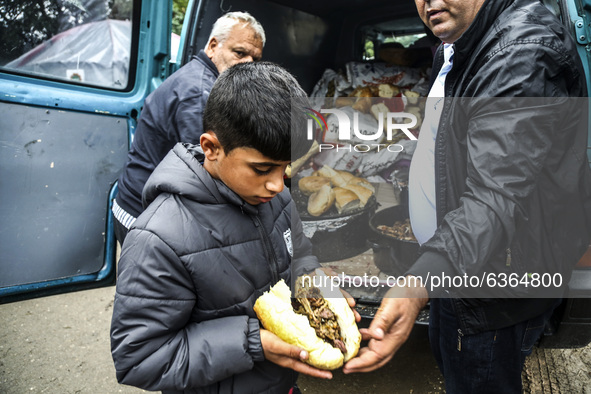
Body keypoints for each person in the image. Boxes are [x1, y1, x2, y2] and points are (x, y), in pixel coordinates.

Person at [343, 1, 591, 393]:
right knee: (452, 362)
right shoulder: (461, 36)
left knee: (477, 379)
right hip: (456, 262)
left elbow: (495, 195)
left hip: (492, 287)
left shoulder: (520, 54)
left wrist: (416, 285)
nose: (432, 2)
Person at [110, 61, 339, 393]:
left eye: (287, 168)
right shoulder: (158, 240)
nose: (278, 184)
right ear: (211, 148)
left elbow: (299, 255)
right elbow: (139, 359)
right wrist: (253, 342)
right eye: (263, 168)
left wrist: (315, 288)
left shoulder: (275, 197)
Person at [112, 11, 265, 244]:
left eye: (255, 59)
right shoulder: (200, 93)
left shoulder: (206, 79)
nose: (248, 64)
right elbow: (208, 170)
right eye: (240, 53)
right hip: (141, 215)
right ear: (213, 46)